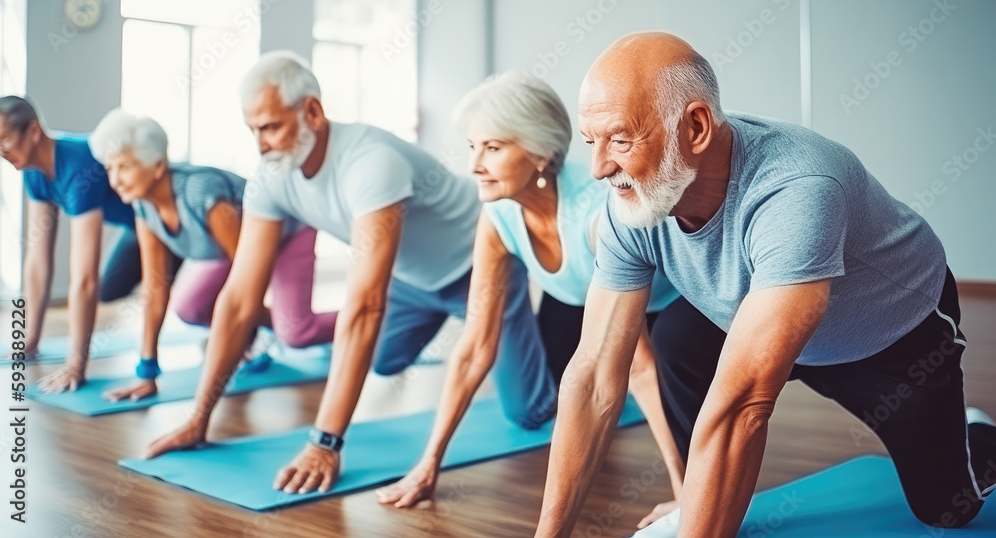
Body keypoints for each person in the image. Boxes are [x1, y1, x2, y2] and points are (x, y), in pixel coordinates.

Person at [534, 31, 996, 538]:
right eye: (591, 142)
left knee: (949, 509)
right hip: (761, 310)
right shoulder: (631, 203)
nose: (600, 168)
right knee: (678, 337)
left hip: (892, 339)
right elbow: (596, 375)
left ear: (696, 126)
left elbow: (742, 408)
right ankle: (699, 490)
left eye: (620, 140)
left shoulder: (797, 187)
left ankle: (972, 431)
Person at [143, 52, 557, 496]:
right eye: (253, 130)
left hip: (479, 266)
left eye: (271, 127)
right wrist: (197, 419)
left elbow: (366, 305)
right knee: (380, 361)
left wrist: (325, 442)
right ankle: (444, 322)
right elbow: (239, 299)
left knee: (528, 414)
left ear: (313, 113)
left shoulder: (370, 162)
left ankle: (556, 348)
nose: (261, 145)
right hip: (410, 281)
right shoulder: (272, 177)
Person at [377, 70, 690, 512]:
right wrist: (427, 466)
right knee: (539, 405)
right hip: (579, 296)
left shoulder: (597, 213)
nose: (474, 166)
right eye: (472, 147)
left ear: (541, 152)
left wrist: (684, 497)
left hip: (675, 305)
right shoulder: (499, 216)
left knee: (647, 371)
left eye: (493, 148)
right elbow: (475, 347)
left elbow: (636, 364)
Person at [87, 109, 338, 401]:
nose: (115, 180)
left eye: (125, 167)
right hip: (234, 251)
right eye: (110, 168)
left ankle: (375, 319)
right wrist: (147, 372)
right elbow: (156, 286)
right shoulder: (143, 206)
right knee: (189, 308)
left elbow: (247, 279)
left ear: (157, 166)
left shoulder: (199, 192)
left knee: (296, 331)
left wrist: (240, 342)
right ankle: (266, 334)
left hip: (288, 232)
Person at [0, 95, 143, 392]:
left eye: (6, 140)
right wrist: (30, 339)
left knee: (182, 295)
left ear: (34, 131)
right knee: (110, 289)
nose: (1, 151)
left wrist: (76, 364)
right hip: (134, 227)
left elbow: (84, 274)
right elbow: (38, 259)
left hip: (165, 222)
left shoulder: (79, 165)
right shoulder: (33, 172)